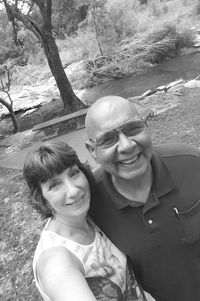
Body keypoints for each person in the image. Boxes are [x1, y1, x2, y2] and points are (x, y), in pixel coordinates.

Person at [85, 95, 200, 301]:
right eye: (108, 139)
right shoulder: (90, 204)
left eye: (133, 128)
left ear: (147, 127)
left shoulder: (191, 164)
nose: (127, 145)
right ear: (92, 151)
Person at [23, 141, 146, 301]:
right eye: (54, 185)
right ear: (42, 199)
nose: (73, 190)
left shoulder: (89, 216)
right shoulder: (56, 261)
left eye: (73, 173)